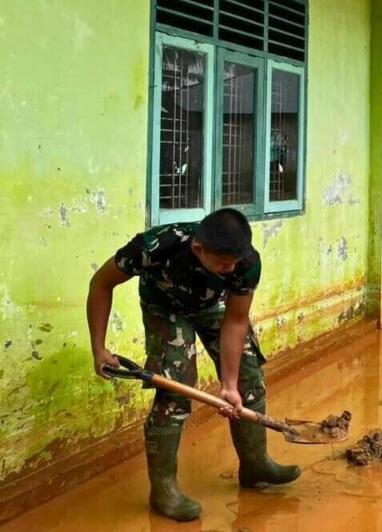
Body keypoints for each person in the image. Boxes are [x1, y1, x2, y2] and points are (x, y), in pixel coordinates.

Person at [87, 209, 300, 522]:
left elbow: (236, 319)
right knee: (176, 388)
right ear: (200, 250)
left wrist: (229, 386)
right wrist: (98, 348)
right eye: (223, 264)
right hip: (164, 307)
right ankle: (163, 491)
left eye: (234, 264)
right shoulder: (155, 246)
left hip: (211, 307)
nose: (230, 271)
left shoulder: (246, 263)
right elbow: (101, 284)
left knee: (248, 375)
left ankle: (255, 465)